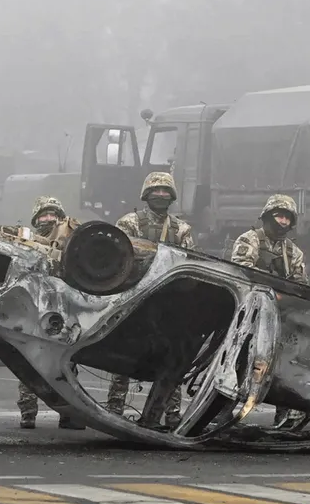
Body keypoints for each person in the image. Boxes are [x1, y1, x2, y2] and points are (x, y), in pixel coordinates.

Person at [106, 172, 195, 427]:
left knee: (174, 358)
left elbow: (191, 264)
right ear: (146, 194)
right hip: (135, 298)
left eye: (165, 191)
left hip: (169, 303)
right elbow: (119, 259)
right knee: (123, 356)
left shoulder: (182, 229)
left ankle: (171, 413)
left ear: (172, 196)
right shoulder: (129, 223)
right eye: (155, 191)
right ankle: (114, 409)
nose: (160, 195)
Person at [231, 194, 307, 426]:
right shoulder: (249, 240)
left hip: (278, 316)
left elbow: (300, 284)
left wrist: (284, 292)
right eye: (279, 215)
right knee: (238, 365)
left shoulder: (293, 252)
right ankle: (224, 411)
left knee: (281, 366)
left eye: (287, 218)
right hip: (248, 314)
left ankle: (283, 417)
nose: (282, 221)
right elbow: (241, 271)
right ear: (267, 216)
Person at [16, 196, 86, 430]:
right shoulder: (24, 241)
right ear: (36, 219)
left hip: (64, 309)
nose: (48, 219)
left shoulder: (72, 242)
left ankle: (69, 414)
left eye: (53, 214)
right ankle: (28, 413)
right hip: (34, 308)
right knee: (28, 359)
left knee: (67, 363)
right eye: (43, 215)